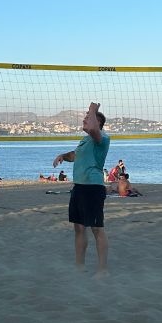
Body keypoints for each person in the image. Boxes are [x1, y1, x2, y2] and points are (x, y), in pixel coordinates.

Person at [52, 103, 110, 277]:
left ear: (98, 123)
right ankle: (79, 265)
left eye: (87, 119)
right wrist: (63, 156)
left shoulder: (102, 137)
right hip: (79, 186)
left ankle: (103, 270)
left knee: (96, 228)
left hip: (93, 187)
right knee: (79, 227)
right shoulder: (85, 140)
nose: (84, 121)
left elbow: (92, 129)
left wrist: (92, 111)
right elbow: (75, 154)